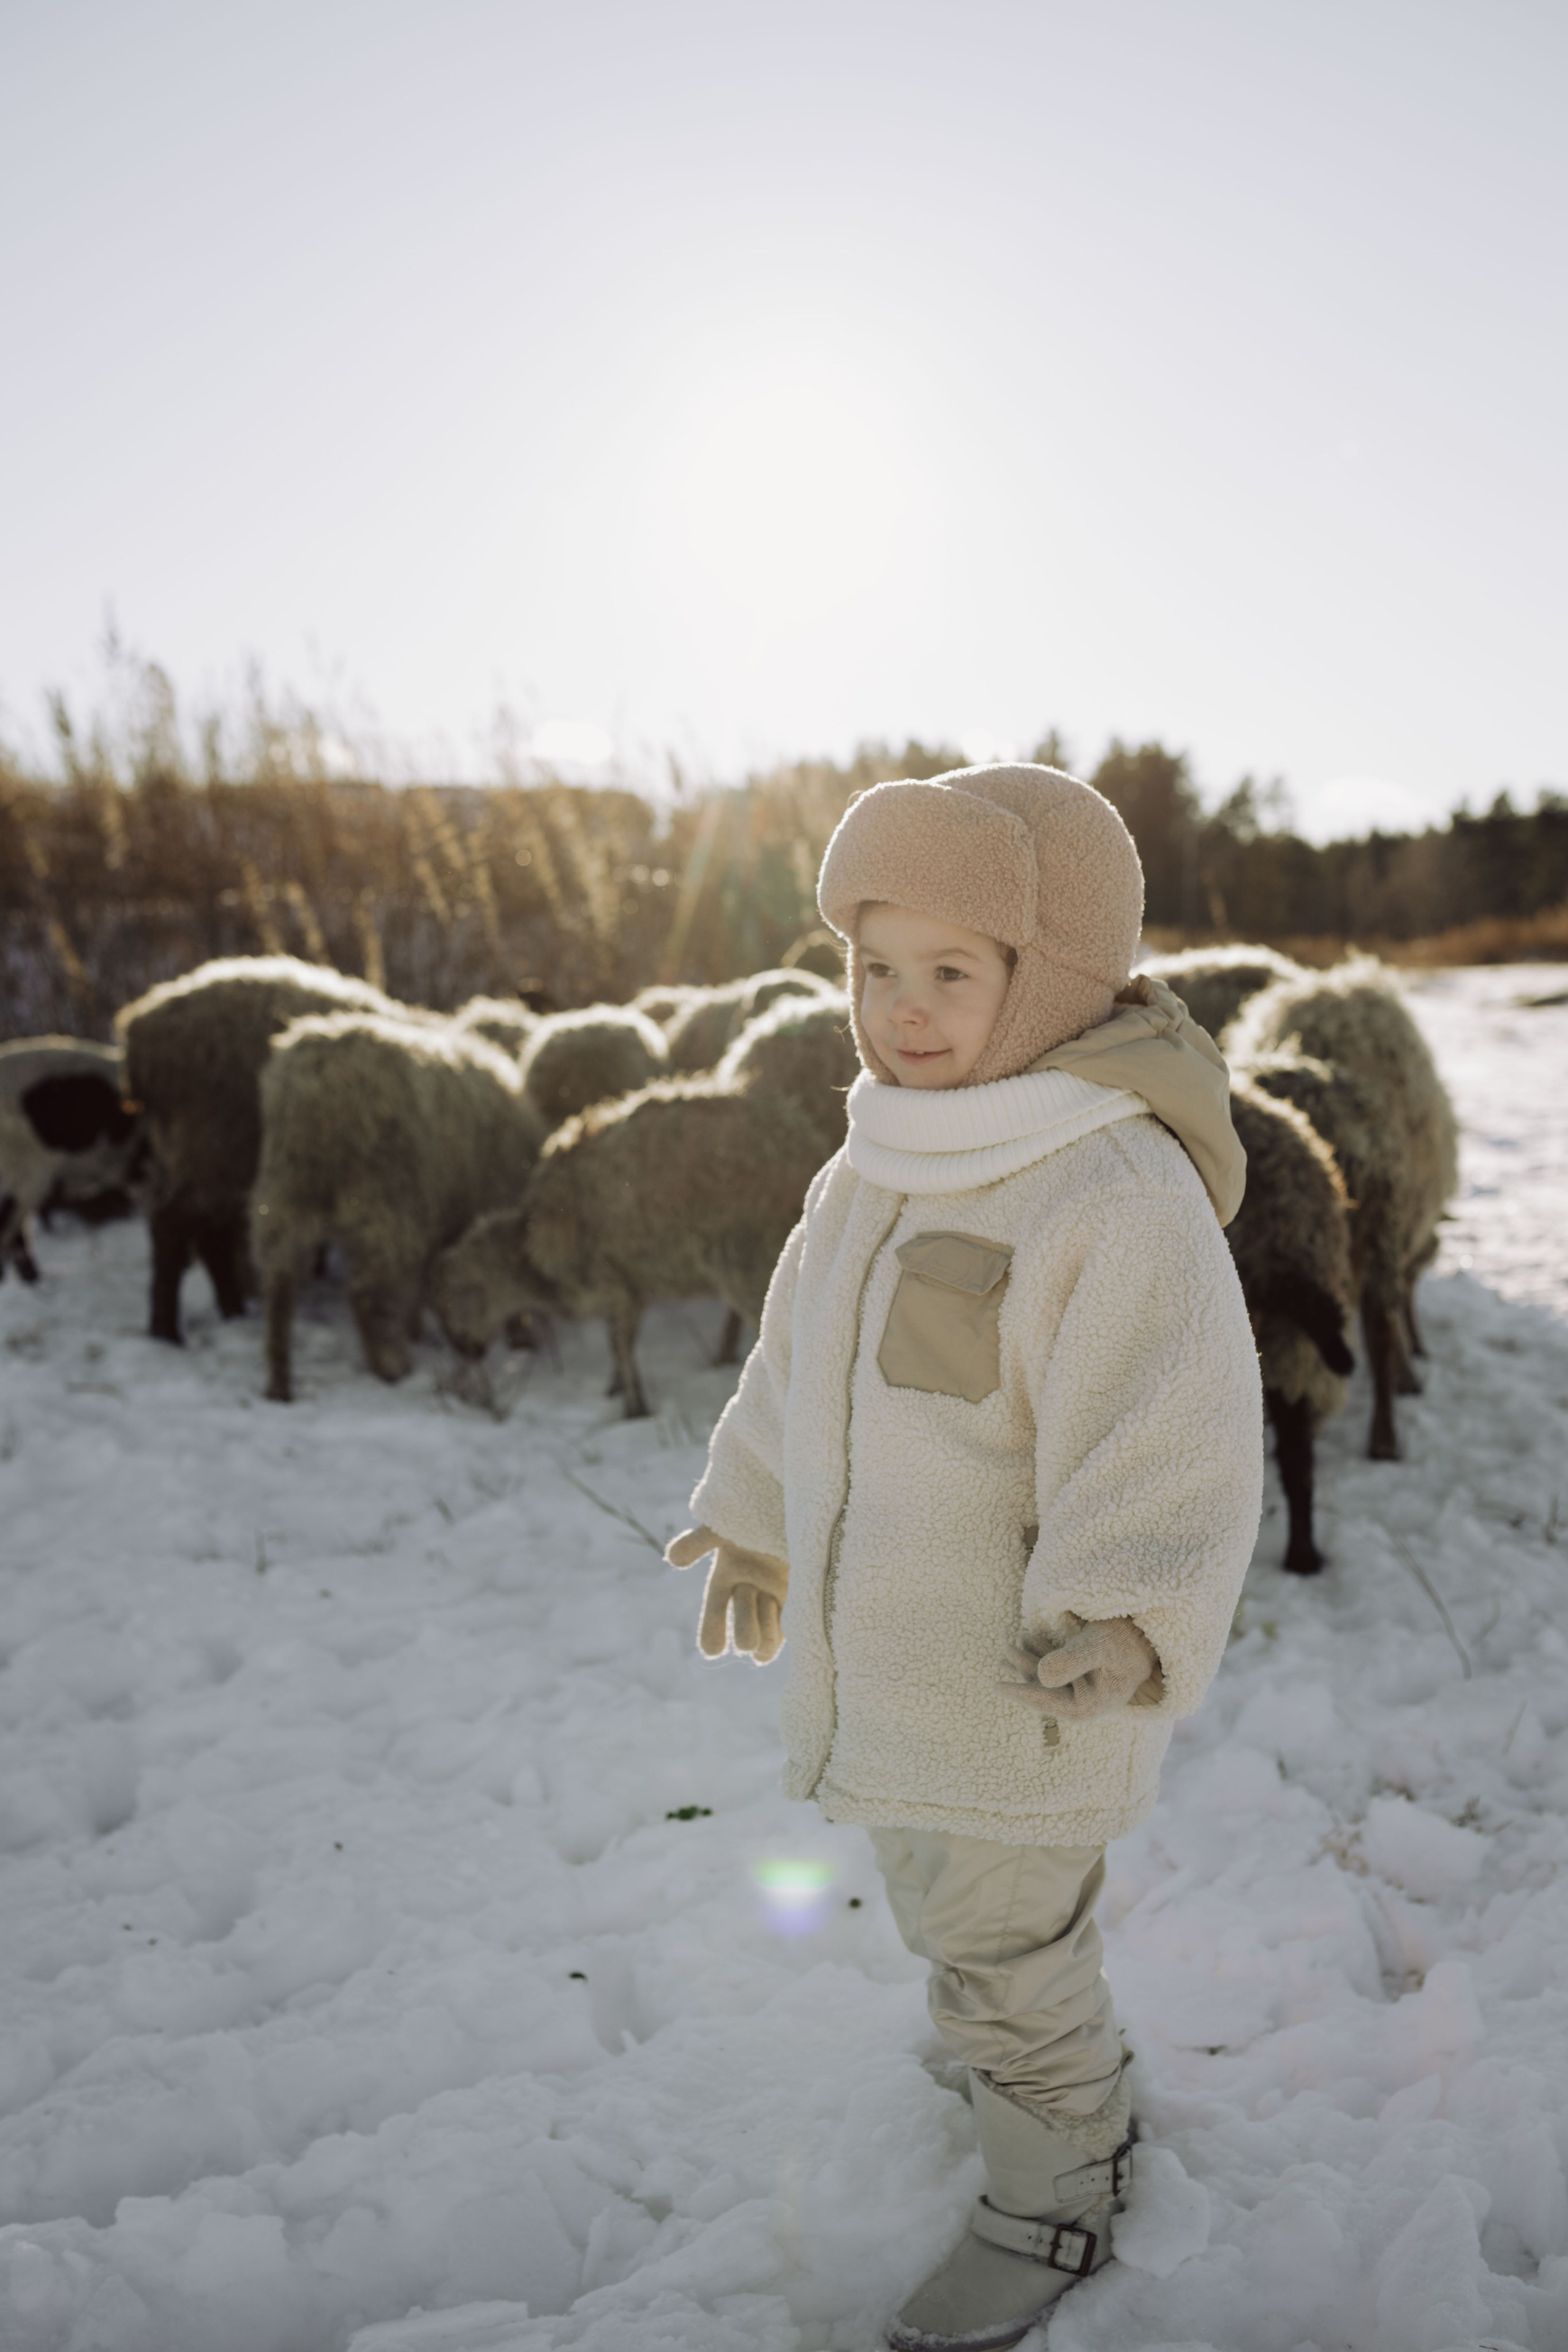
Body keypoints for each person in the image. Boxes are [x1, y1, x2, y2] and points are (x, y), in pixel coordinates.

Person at [665, 763, 1263, 2351]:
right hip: (895, 1675)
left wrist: (1135, 1616)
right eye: (875, 969)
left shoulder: (1103, 1183)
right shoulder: (876, 1161)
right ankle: (1030, 2047)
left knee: (1006, 1948)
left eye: (951, 972)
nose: (903, 1010)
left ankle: (1060, 2178)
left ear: (1045, 981)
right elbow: (804, 1360)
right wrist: (748, 1511)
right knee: (958, 1917)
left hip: (1022, 1684)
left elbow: (1171, 1418)